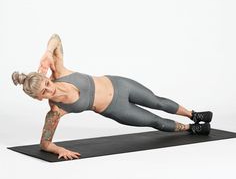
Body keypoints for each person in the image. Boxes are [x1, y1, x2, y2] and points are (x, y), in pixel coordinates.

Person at [12, 34, 213, 160]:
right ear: (39, 98)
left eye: (47, 83)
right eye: (44, 93)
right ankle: (191, 128)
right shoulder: (56, 111)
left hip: (119, 84)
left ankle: (193, 115)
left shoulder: (61, 72)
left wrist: (47, 52)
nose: (50, 90)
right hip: (115, 109)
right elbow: (44, 144)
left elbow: (56, 38)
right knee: (155, 121)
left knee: (157, 101)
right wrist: (59, 150)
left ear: (46, 77)